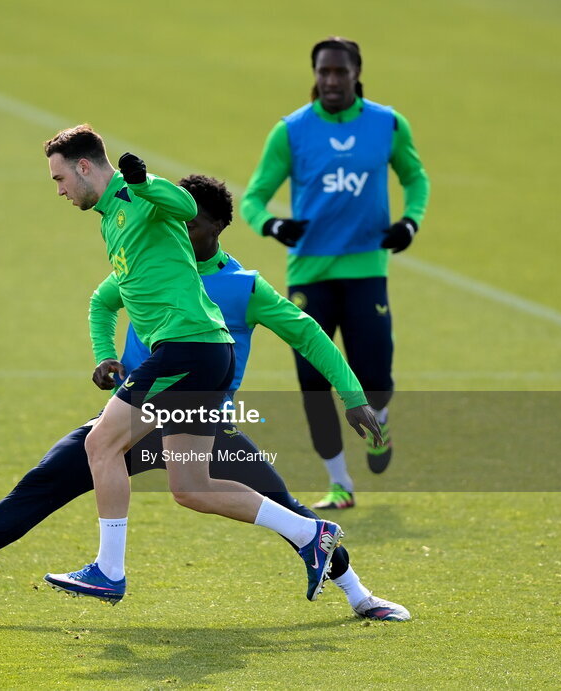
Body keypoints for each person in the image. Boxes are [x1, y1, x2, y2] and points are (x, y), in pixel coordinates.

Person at [0, 174, 409, 621]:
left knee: (277, 503)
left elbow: (309, 335)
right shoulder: (148, 260)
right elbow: (102, 302)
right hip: (134, 413)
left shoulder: (243, 287)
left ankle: (360, 596)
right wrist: (103, 354)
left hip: (202, 419)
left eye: (192, 223)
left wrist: (352, 395)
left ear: (217, 229)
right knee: (48, 478)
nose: (179, 229)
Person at [40, 125, 381, 605]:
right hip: (202, 363)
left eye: (59, 178)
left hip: (188, 355)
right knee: (192, 488)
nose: (58, 189)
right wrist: (105, 353)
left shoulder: (147, 204)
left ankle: (109, 571)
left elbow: (179, 206)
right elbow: (103, 300)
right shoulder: (117, 220)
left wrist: (144, 182)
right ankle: (311, 534)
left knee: (100, 444)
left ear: (83, 166)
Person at [241, 37, 431, 510]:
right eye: (322, 72)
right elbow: (252, 198)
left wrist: (410, 221)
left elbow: (416, 178)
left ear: (356, 73)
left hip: (367, 268)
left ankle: (379, 422)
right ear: (315, 75)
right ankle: (339, 483)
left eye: (339, 72)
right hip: (309, 273)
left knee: (376, 377)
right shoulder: (292, 131)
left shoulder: (387, 124)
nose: (330, 80)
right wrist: (273, 224)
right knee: (313, 380)